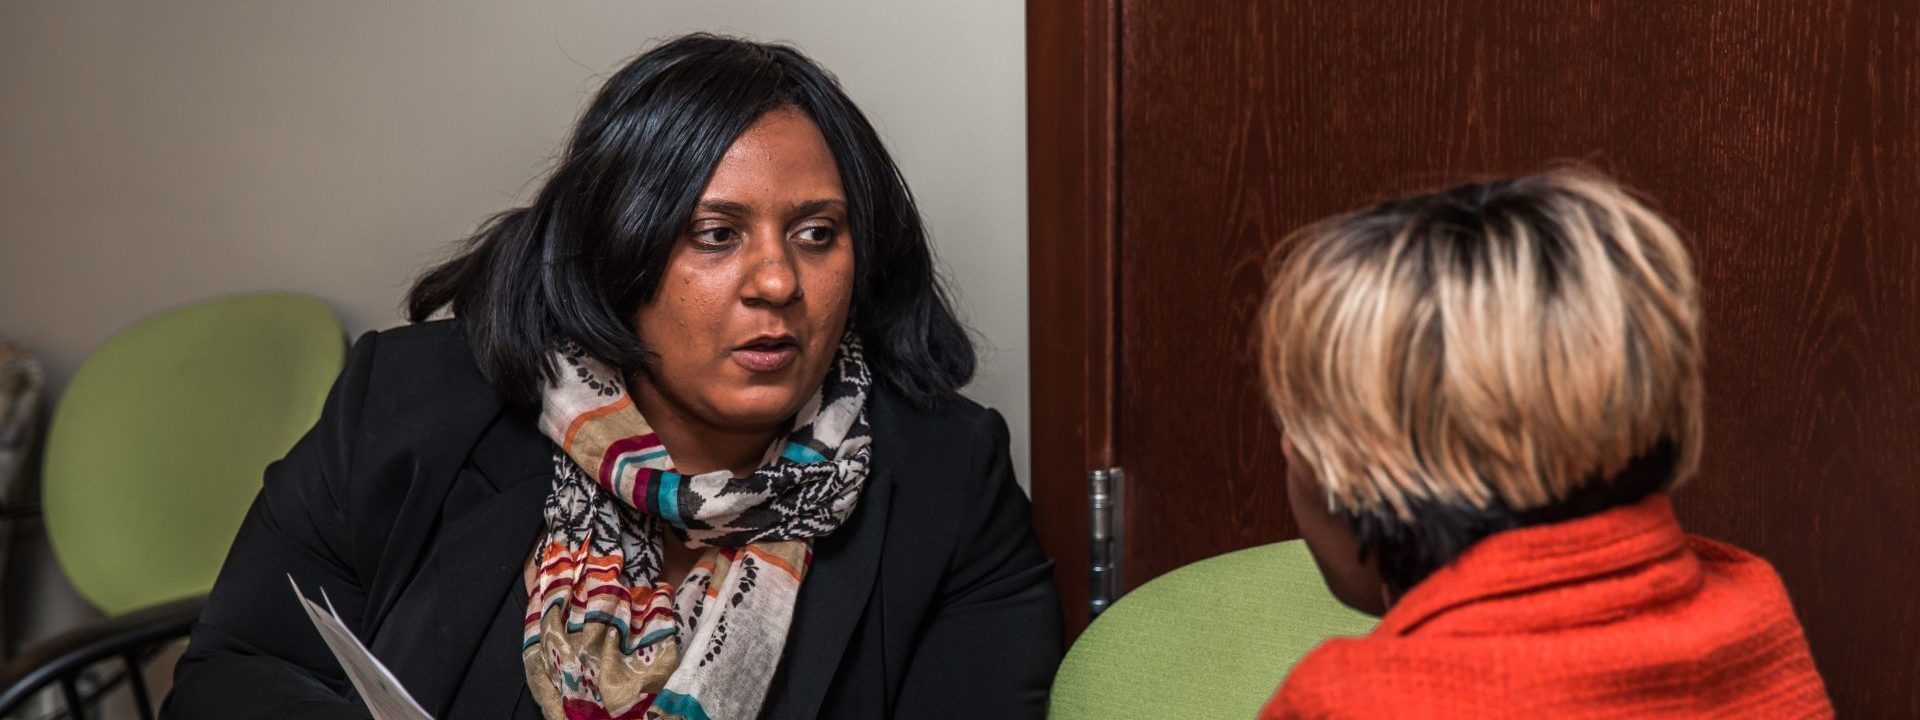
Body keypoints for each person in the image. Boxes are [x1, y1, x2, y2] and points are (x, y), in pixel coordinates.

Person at [164, 34, 1061, 720]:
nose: (780, 281)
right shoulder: (408, 405)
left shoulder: (948, 476)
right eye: (716, 234)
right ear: (613, 254)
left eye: (817, 233)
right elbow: (232, 678)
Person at [1254, 169, 1832, 718]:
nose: (1287, 448)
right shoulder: (1756, 610)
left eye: (1300, 423)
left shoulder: (1350, 702)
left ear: (1358, 477)